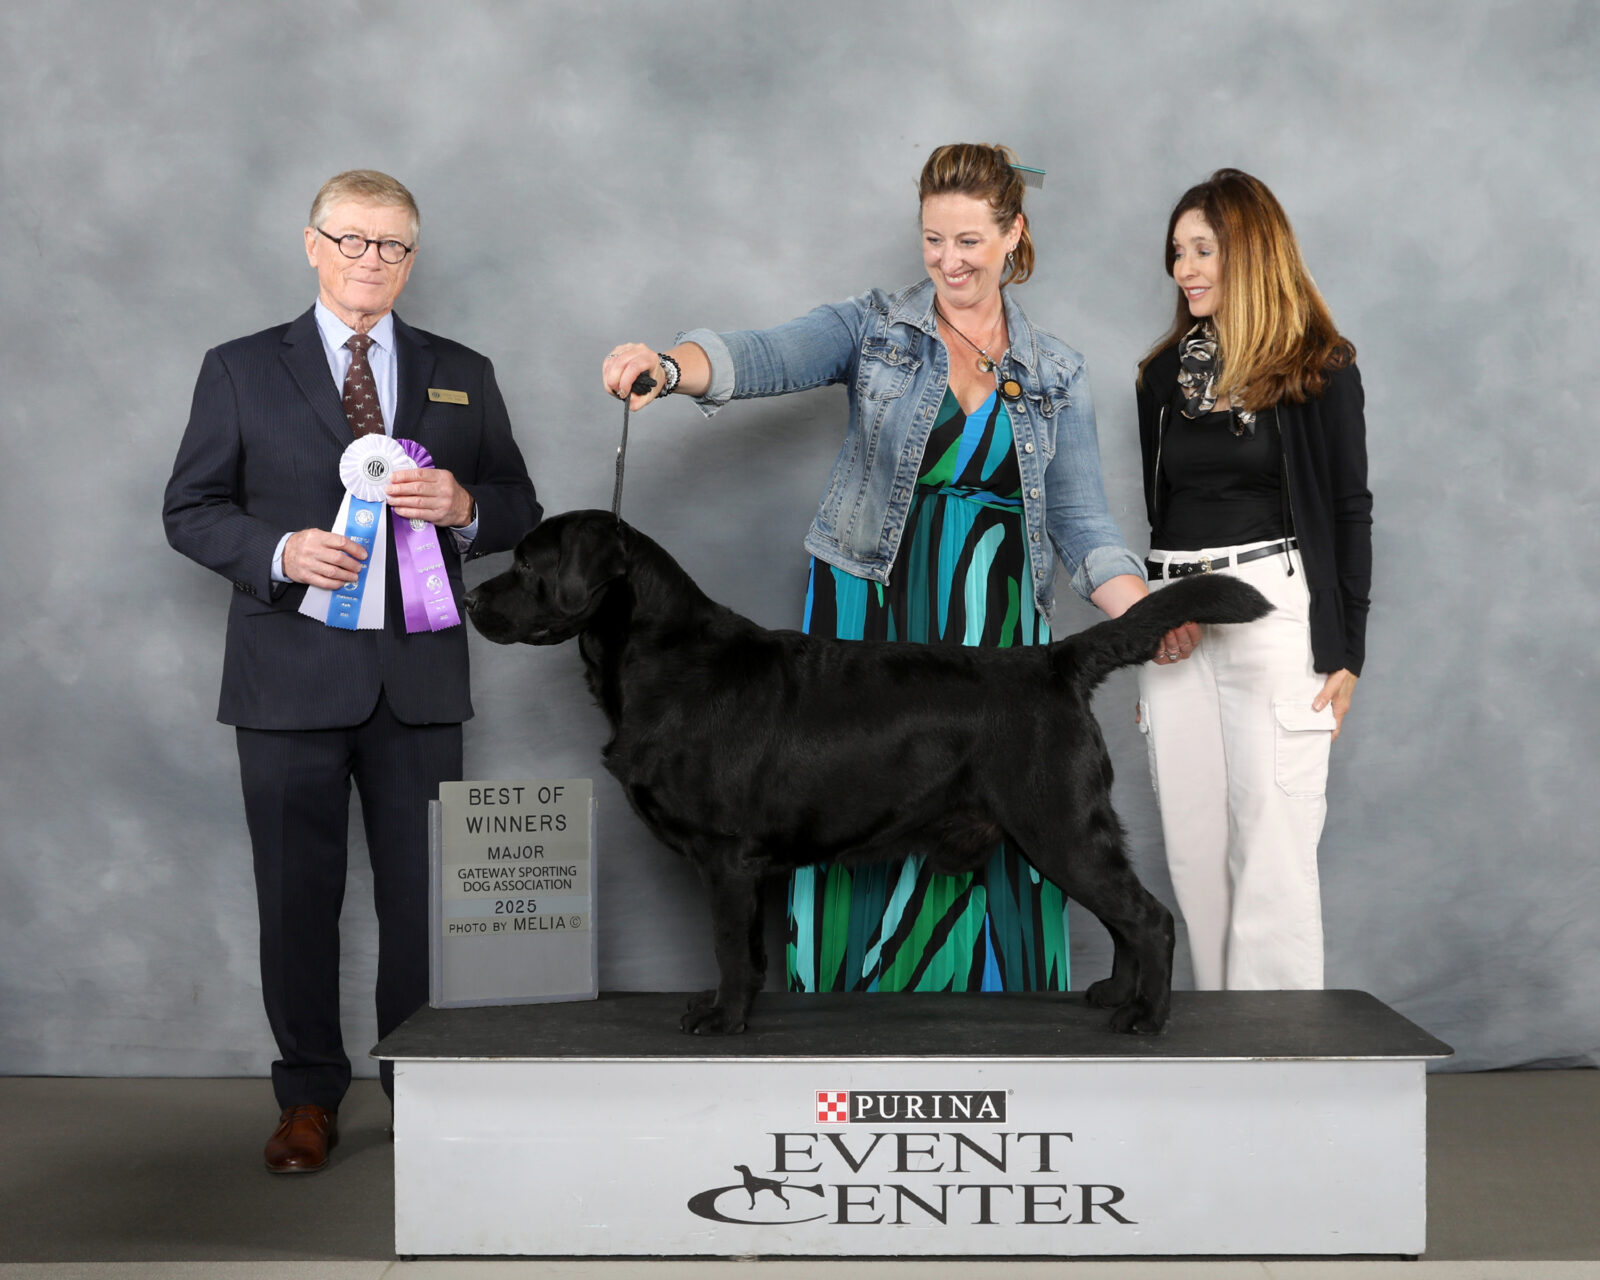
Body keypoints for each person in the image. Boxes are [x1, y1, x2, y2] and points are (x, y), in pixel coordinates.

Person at [602, 143, 1148, 996]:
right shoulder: (874, 330)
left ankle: (994, 1019)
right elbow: (764, 355)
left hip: (995, 622)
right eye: (933, 239)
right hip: (876, 601)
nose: (948, 261)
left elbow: (1083, 524)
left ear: (1014, 236)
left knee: (1009, 805)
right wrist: (672, 369)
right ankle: (858, 1022)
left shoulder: (1057, 371)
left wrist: (1143, 612)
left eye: (969, 241)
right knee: (853, 800)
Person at [163, 170, 540, 1172]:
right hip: (286, 678)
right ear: (312, 244)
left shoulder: (463, 370)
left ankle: (418, 1086)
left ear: (412, 258)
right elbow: (189, 509)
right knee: (296, 896)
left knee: (423, 899)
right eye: (353, 240)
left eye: (392, 246)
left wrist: (466, 507)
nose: (371, 261)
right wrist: (280, 554)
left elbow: (520, 506)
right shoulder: (241, 368)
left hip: (417, 682)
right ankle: (306, 1097)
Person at [1133, 168, 1371, 991]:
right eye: (1176, 253)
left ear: (1251, 250)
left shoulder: (1318, 368)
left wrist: (1347, 650)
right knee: (1195, 855)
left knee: (1272, 849)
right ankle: (1221, 1063)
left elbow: (1348, 509)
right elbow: (1161, 514)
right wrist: (1152, 613)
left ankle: (1283, 1075)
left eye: (1202, 249)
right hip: (1176, 622)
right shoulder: (1162, 378)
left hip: (1275, 618)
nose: (1184, 269)